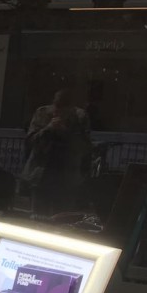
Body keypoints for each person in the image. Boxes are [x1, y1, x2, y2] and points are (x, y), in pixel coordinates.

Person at [22, 89, 92, 217]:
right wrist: (48, 129)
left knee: (63, 219)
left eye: (63, 109)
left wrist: (65, 132)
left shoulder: (80, 117)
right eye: (56, 108)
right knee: (38, 218)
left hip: (66, 176)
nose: (59, 112)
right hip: (42, 174)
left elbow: (84, 147)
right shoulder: (42, 113)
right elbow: (30, 141)